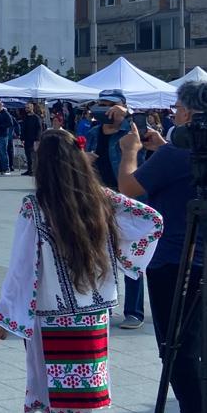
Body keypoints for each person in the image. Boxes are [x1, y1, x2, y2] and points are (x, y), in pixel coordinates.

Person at [0, 130, 162, 413]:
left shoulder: (36, 207)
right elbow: (151, 220)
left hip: (53, 316)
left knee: (55, 394)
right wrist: (126, 259)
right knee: (80, 391)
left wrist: (4, 316)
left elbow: (22, 267)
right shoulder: (99, 199)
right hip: (94, 314)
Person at [117, 81, 207, 413]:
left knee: (176, 346)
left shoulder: (176, 155)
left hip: (175, 260)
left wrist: (131, 151)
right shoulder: (188, 152)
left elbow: (129, 187)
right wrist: (162, 149)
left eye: (177, 108)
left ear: (186, 112)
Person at [86, 89, 147, 328]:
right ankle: (105, 305)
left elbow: (148, 143)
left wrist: (128, 116)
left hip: (128, 199)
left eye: (110, 105)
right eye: (101, 104)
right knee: (101, 254)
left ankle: (134, 312)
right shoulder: (93, 132)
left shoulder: (132, 131)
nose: (105, 109)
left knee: (131, 255)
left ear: (121, 106)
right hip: (99, 197)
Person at [0, 99, 14, 176]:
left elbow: (10, 123)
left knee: (3, 152)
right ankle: (1, 168)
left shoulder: (5, 113)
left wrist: (1, 126)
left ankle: (6, 169)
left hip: (2, 136)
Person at [20, 102, 43, 177]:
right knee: (28, 156)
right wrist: (22, 138)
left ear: (32, 108)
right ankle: (29, 170)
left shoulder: (36, 118)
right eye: (26, 108)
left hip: (34, 140)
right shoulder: (25, 117)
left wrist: (37, 140)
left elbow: (39, 129)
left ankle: (34, 170)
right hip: (26, 140)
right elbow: (23, 129)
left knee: (33, 156)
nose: (26, 109)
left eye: (28, 107)